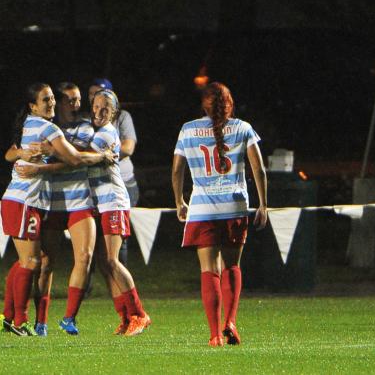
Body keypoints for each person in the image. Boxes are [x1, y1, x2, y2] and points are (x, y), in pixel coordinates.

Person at [0, 83, 112, 336]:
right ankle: (20, 321)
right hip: (26, 200)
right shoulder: (47, 127)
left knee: (25, 262)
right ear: (33, 105)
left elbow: (9, 154)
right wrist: (102, 157)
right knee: (33, 261)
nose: (50, 103)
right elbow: (73, 159)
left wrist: (22, 154)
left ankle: (9, 316)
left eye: (50, 98)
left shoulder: (29, 123)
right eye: (46, 99)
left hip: (26, 201)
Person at [171, 82, 267, 347]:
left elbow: (177, 169)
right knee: (232, 266)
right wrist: (263, 204)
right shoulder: (243, 128)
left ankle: (215, 334)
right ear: (230, 104)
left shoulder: (188, 129)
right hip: (234, 207)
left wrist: (179, 200)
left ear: (204, 104)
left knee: (209, 270)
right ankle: (230, 322)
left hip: (202, 208)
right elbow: (258, 169)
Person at [87, 89, 151, 336]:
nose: (99, 112)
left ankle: (139, 314)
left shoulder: (107, 133)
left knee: (112, 260)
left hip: (114, 201)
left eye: (105, 109)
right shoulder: (94, 130)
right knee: (105, 263)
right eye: (96, 107)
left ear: (114, 113)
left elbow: (81, 159)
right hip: (102, 202)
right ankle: (125, 318)